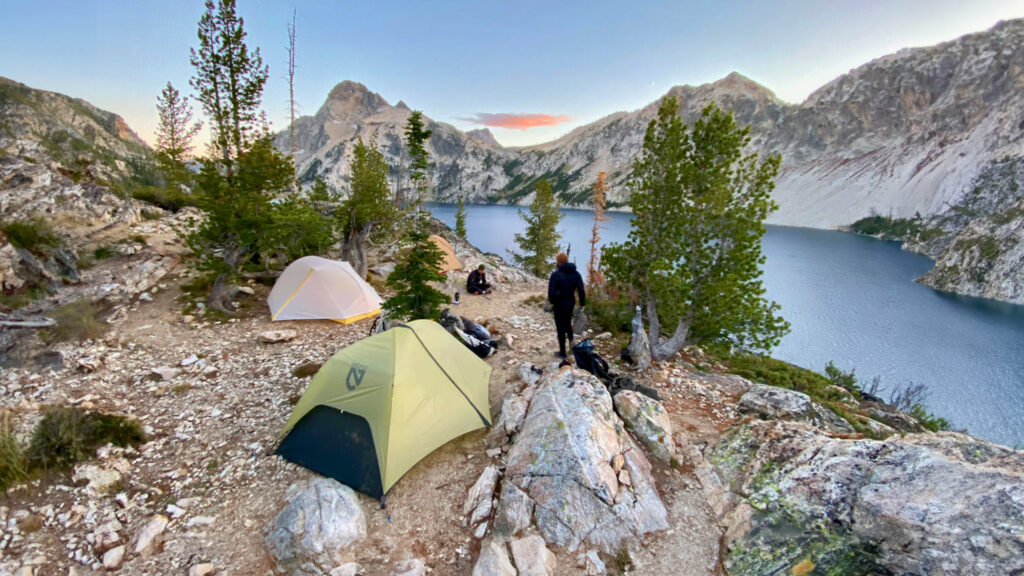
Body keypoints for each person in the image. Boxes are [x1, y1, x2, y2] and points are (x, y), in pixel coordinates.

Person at [548, 252, 585, 359]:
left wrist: (552, 302)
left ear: (558, 262)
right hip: (570, 302)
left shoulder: (555, 275)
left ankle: (562, 352)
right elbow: (581, 290)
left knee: (560, 326)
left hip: (559, 304)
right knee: (568, 322)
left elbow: (551, 293)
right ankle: (572, 341)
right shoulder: (576, 273)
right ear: (567, 260)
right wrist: (582, 304)